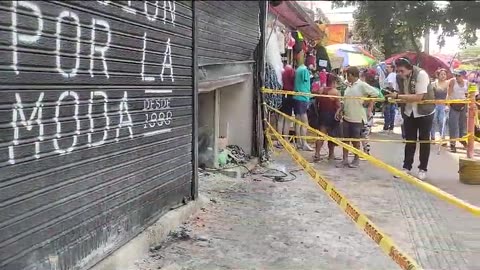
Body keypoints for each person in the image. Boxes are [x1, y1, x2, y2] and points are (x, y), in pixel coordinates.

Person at [384, 57, 435, 180]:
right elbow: (401, 93)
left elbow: (419, 97)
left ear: (410, 68)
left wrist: (397, 96)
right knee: (409, 140)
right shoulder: (398, 77)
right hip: (409, 111)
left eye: (401, 71)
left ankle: (423, 168)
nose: (399, 74)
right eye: (398, 71)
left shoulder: (421, 74)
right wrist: (392, 96)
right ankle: (406, 167)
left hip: (424, 112)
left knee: (424, 140)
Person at [337, 66, 380, 168]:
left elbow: (376, 93)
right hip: (347, 116)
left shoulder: (361, 85)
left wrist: (368, 103)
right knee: (345, 139)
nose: (346, 77)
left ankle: (356, 159)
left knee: (355, 140)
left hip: (357, 118)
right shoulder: (349, 86)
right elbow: (345, 100)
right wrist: (340, 110)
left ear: (351, 75)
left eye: (347, 75)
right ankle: (345, 159)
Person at [311, 73, 341, 162]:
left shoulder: (321, 90)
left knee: (321, 135)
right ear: (334, 82)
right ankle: (331, 155)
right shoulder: (335, 92)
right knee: (332, 136)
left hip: (322, 114)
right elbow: (338, 105)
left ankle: (317, 153)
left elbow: (316, 102)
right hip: (332, 115)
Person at [293, 52, 314, 151]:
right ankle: (304, 143)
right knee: (304, 122)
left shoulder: (297, 70)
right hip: (303, 97)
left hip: (296, 97)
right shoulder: (305, 70)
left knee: (297, 121)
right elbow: (306, 81)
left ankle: (298, 142)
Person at [447, 70, 468, 153]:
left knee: (462, 124)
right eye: (456, 75)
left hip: (463, 104)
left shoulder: (467, 83)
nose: (457, 77)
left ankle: (461, 138)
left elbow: (469, 94)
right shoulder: (453, 81)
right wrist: (447, 105)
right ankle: (452, 143)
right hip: (453, 104)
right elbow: (449, 93)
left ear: (463, 76)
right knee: (453, 124)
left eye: (459, 75)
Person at [276, 63, 295, 147]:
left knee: (281, 119)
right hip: (290, 96)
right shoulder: (291, 72)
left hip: (282, 95)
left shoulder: (282, 73)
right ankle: (286, 139)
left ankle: (279, 139)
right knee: (287, 119)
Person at [430, 68, 449, 144]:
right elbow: (431, 94)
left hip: (443, 105)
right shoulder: (433, 84)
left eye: (444, 74)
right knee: (433, 121)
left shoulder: (448, 84)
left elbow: (449, 95)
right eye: (441, 74)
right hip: (434, 104)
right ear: (438, 75)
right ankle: (432, 137)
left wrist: (447, 105)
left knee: (442, 121)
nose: (443, 76)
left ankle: (443, 138)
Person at [383, 64, 398, 133]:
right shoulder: (395, 75)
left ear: (392, 68)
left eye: (388, 67)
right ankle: (391, 127)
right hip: (393, 94)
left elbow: (390, 84)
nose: (387, 68)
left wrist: (390, 92)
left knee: (387, 111)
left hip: (389, 94)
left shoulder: (391, 75)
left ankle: (386, 127)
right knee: (392, 111)